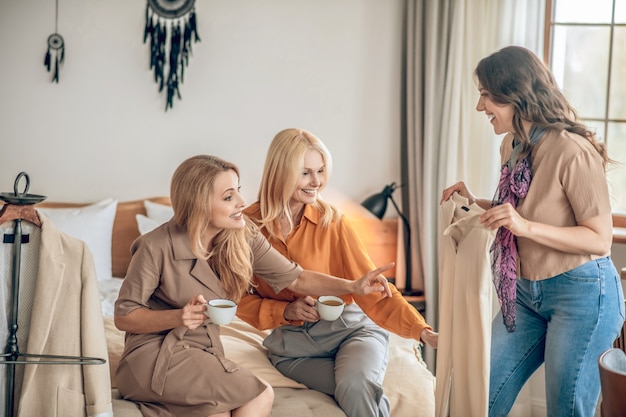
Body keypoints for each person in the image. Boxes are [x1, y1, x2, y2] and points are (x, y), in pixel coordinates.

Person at [113, 154, 393, 417]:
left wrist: (353, 286)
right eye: (228, 196)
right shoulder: (154, 247)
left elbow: (296, 277)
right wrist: (178, 317)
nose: (241, 202)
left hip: (201, 353)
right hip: (154, 355)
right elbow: (124, 316)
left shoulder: (241, 234)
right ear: (199, 203)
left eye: (238, 191)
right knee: (259, 394)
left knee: (219, 412)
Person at [440, 45, 625, 417]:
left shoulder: (573, 150)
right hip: (525, 294)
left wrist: (523, 225)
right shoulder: (512, 144)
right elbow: (521, 212)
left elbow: (598, 238)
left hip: (582, 295)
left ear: (515, 95)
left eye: (486, 96)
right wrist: (476, 201)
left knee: (566, 411)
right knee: (476, 396)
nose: (481, 108)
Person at [238, 128, 438, 417]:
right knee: (357, 390)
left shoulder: (333, 222)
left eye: (320, 171)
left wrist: (423, 332)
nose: (317, 181)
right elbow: (237, 298)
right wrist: (284, 312)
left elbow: (372, 289)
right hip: (293, 350)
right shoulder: (247, 226)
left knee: (357, 387)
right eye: (305, 173)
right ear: (280, 172)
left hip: (350, 331)